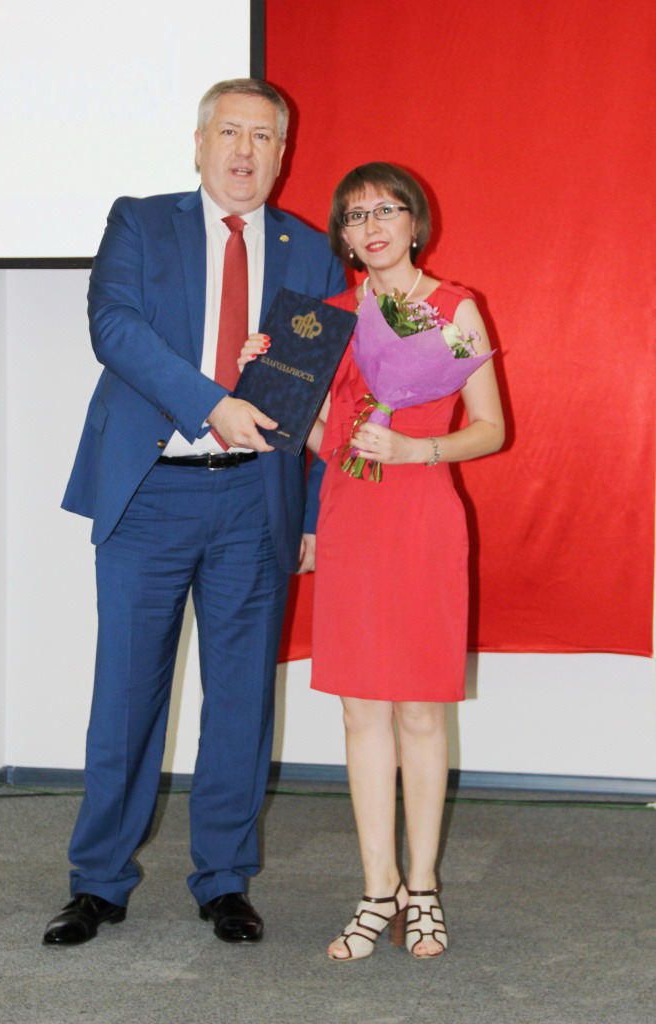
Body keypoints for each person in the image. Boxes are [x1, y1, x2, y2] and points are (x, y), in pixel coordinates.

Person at [42, 79, 345, 947]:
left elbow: (324, 389)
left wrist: (313, 513)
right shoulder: (141, 223)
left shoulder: (312, 252)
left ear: (283, 154)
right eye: (230, 132)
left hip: (256, 500)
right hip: (150, 492)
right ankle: (99, 881)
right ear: (201, 143)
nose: (245, 151)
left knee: (242, 699)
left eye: (263, 137)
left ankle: (224, 879)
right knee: (126, 695)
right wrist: (211, 402)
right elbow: (114, 328)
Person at [243, 162, 504, 961]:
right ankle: (376, 889)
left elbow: (491, 428)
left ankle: (422, 890)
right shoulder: (325, 320)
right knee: (360, 713)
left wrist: (419, 449)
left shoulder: (454, 310)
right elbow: (325, 438)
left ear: (415, 222)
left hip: (424, 517)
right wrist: (272, 374)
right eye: (356, 216)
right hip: (352, 518)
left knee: (421, 710)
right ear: (344, 238)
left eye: (387, 209)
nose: (372, 225)